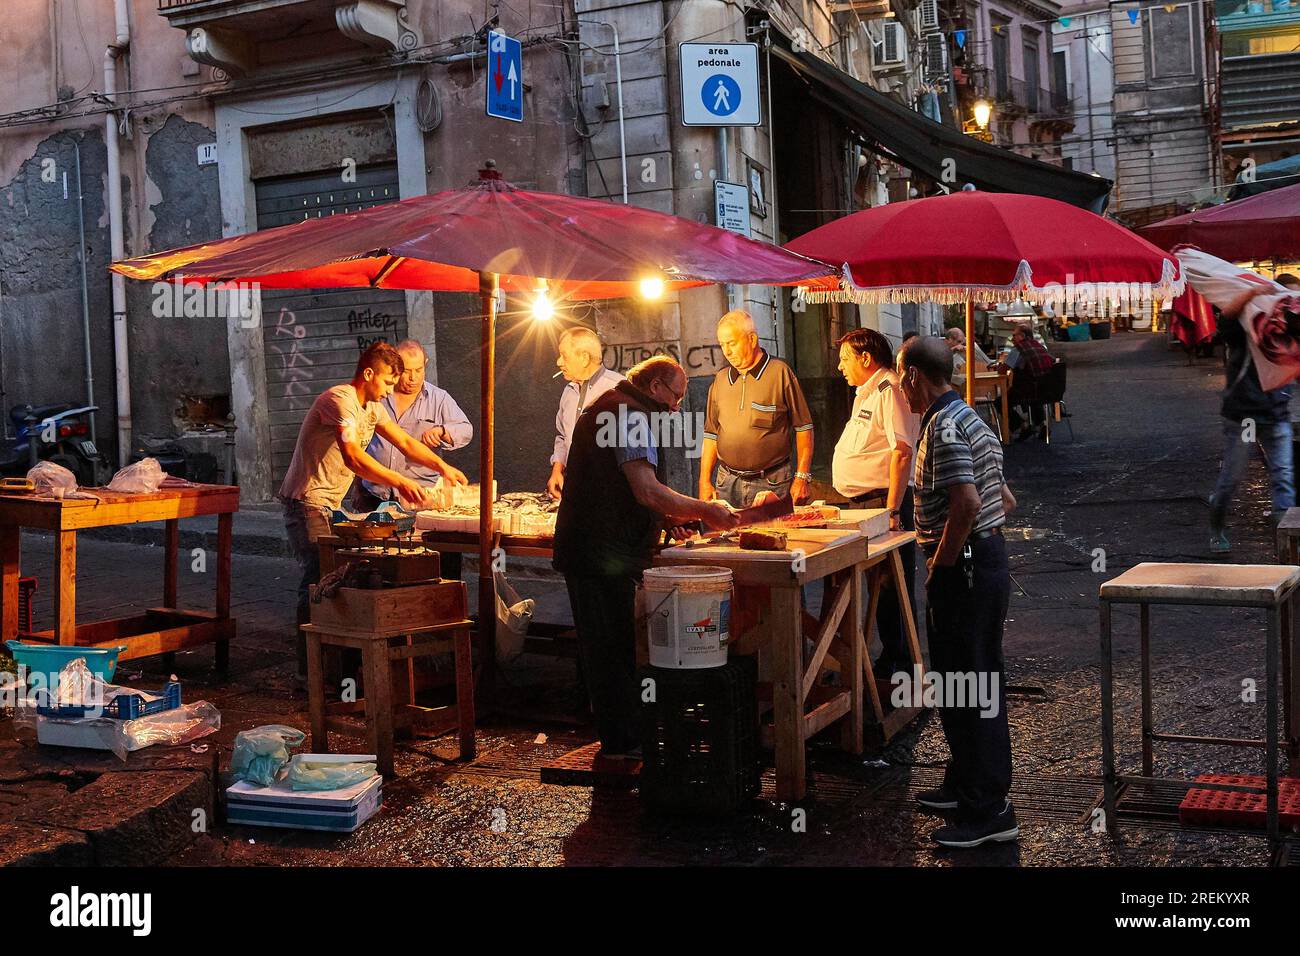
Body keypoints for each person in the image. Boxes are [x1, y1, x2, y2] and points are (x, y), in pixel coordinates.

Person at [553, 356, 740, 756]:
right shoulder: (627, 415)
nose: (676, 406)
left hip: (602, 549)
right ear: (655, 386)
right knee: (609, 649)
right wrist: (705, 510)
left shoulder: (618, 405)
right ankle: (620, 744)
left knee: (615, 646)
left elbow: (632, 491)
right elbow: (645, 489)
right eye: (675, 396)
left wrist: (666, 519)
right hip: (597, 552)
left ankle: (624, 737)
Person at [279, 342, 469, 678]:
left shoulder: (373, 407)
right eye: (386, 383)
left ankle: (341, 666)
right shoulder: (340, 401)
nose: (389, 392)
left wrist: (442, 467)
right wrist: (399, 480)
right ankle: (310, 674)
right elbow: (353, 457)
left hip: (330, 505)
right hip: (306, 502)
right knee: (318, 579)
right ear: (368, 374)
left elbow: (406, 443)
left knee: (341, 577)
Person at [899, 336, 1018, 849]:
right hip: (985, 562)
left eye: (901, 378)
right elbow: (1004, 499)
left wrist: (941, 566)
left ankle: (987, 809)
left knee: (971, 687)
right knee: (964, 683)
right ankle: (964, 781)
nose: (899, 388)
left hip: (966, 571)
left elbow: (967, 503)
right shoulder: (969, 417)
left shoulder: (944, 429)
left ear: (913, 377)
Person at [831, 328, 920, 678]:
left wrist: (894, 510)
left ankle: (898, 662)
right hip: (863, 502)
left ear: (865, 359)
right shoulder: (865, 393)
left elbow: (902, 452)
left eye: (845, 359)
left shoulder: (890, 390)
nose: (840, 367)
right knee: (876, 585)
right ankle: (885, 657)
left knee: (891, 586)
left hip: (885, 501)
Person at [352, 339, 473, 576]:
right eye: (406, 371)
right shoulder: (378, 395)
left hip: (421, 499)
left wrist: (443, 432)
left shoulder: (439, 399)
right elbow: (356, 446)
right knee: (379, 566)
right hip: (375, 496)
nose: (412, 377)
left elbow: (465, 429)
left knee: (430, 564)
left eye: (419, 370)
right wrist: (357, 484)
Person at [1208, 274, 1300, 553]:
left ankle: (1287, 545)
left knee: (1283, 477)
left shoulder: (1292, 335)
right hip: (1243, 414)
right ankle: (1216, 528)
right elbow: (1226, 317)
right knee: (1232, 479)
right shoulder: (1249, 326)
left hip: (1276, 413)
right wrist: (1253, 293)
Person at [699, 310, 815, 507]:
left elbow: (804, 428)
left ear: (752, 339)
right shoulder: (720, 380)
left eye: (732, 343)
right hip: (726, 483)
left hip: (772, 483)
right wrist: (704, 481)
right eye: (722, 345)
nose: (726, 352)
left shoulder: (780, 373)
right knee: (726, 538)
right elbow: (711, 434)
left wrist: (802, 477)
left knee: (774, 537)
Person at [548, 327, 624, 499]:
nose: (559, 362)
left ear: (584, 358)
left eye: (564, 356)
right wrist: (557, 469)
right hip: (574, 488)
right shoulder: (568, 391)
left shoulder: (618, 388)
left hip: (608, 493)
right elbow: (562, 435)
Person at [998, 324, 1054, 438]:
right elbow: (1053, 361)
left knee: (1000, 401)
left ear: (1022, 336)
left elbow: (1003, 371)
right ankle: (1042, 424)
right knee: (1033, 392)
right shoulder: (1039, 346)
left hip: (1029, 390)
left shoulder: (1018, 349)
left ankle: (1022, 426)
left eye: (1014, 335)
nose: (1012, 338)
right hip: (1047, 389)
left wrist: (999, 365)